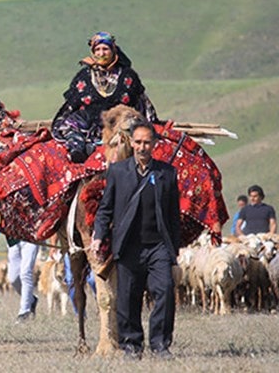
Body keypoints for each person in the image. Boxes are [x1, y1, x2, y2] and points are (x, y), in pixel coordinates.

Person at [90, 120, 180, 360]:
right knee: (128, 298)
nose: (142, 147)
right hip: (128, 246)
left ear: (154, 144)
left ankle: (161, 345)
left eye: (147, 142)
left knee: (165, 291)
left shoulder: (167, 174)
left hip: (158, 246)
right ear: (131, 142)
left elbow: (173, 216)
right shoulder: (118, 172)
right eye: (138, 142)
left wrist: (174, 252)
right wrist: (98, 236)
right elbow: (105, 210)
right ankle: (132, 345)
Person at [52, 31, 159, 163]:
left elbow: (142, 103)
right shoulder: (83, 77)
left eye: (105, 49)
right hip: (88, 128)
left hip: (120, 127)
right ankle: (79, 153)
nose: (101, 53)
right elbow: (70, 106)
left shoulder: (128, 76)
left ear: (113, 50)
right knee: (73, 128)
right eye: (97, 49)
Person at [0, 230, 39, 322]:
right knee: (13, 278)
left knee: (25, 273)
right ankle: (31, 300)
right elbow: (1, 216)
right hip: (13, 240)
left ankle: (24, 312)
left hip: (31, 237)